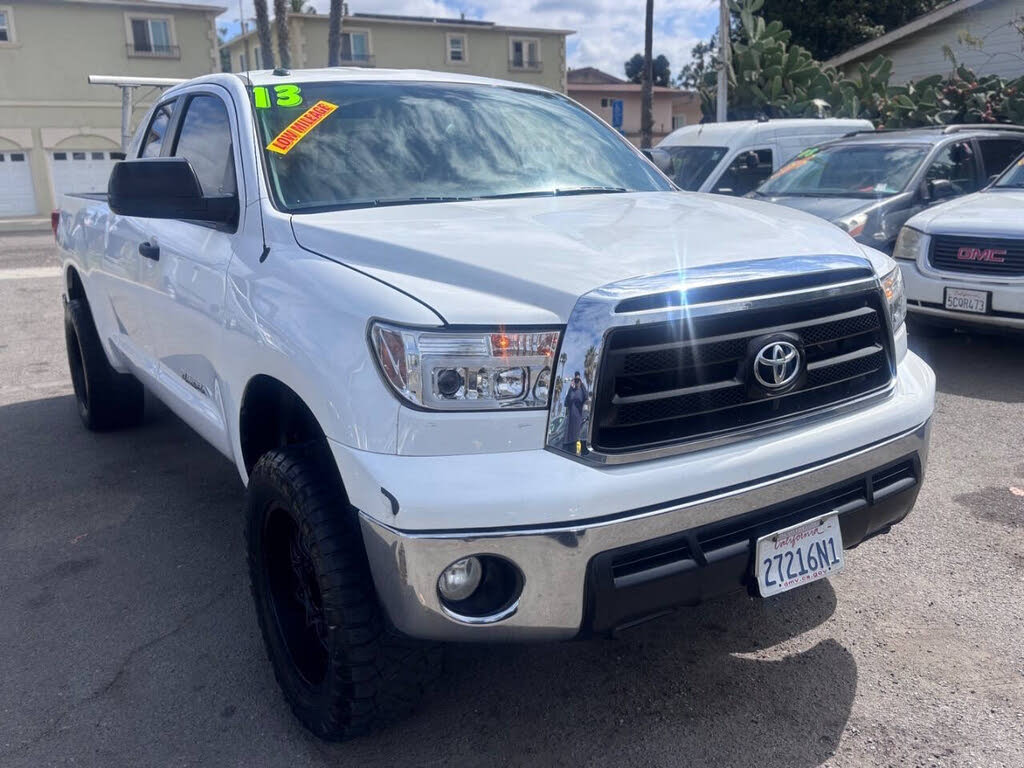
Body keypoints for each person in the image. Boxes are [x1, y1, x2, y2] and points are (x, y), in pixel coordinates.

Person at [563, 371, 588, 450]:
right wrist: (570, 387)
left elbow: (586, 397)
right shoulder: (571, 391)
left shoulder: (582, 391)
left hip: (579, 422)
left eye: (578, 380)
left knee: (577, 444)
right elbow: (566, 403)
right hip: (570, 423)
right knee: (569, 445)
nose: (577, 382)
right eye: (576, 379)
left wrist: (582, 384)